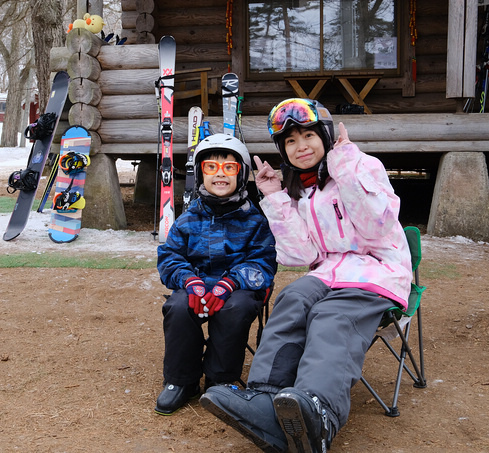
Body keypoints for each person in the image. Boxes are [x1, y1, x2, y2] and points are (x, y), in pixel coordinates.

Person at [200, 98, 413, 453]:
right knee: (292, 300)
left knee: (331, 315)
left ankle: (319, 412)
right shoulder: (303, 191)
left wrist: (344, 169)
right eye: (291, 141)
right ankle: (266, 399)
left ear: (326, 137)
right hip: (328, 274)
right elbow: (302, 255)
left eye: (308, 136)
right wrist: (275, 198)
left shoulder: (362, 166)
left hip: (377, 273)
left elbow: (379, 227)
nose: (301, 147)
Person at [155, 133, 278, 415]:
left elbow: (264, 261)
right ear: (200, 174)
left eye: (229, 168)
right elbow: (170, 257)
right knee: (177, 306)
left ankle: (220, 379)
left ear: (242, 173)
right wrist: (190, 281)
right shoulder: (188, 219)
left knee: (234, 309)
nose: (219, 174)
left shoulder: (256, 221)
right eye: (211, 167)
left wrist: (231, 282)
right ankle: (181, 380)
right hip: (197, 286)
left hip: (238, 290)